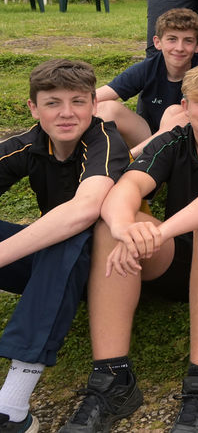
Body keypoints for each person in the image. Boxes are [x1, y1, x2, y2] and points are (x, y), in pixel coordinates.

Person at [61, 63, 198, 433]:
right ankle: (112, 378)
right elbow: (126, 189)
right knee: (116, 226)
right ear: (186, 106)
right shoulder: (173, 139)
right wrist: (125, 227)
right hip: (178, 262)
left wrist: (160, 233)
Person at [0, 60, 129, 433]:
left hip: (108, 269)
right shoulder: (30, 143)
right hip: (51, 265)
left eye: (77, 101)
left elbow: (83, 211)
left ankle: (12, 405)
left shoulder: (105, 140)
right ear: (33, 108)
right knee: (56, 235)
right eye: (53, 103)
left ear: (93, 103)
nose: (67, 113)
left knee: (68, 232)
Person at [96, 8, 198, 152]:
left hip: (189, 145)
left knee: (177, 112)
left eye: (188, 41)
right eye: (172, 39)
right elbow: (94, 97)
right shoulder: (148, 67)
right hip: (147, 137)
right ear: (157, 42)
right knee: (104, 108)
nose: (179, 48)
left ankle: (133, 158)